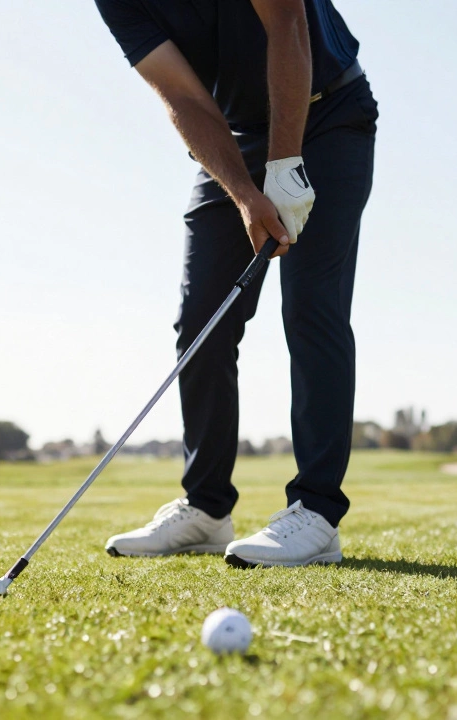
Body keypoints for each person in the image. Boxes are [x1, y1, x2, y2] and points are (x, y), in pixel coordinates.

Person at [94, 0, 377, 567]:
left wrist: (285, 166)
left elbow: (287, 25)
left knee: (310, 308)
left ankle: (317, 512)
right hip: (233, 136)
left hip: (329, 114)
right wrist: (247, 194)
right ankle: (206, 510)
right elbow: (183, 96)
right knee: (202, 319)